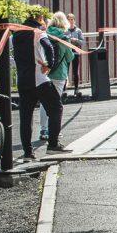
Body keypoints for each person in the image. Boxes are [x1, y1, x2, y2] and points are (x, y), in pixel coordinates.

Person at [11, 9, 69, 159]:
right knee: (56, 108)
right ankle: (53, 144)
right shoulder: (38, 32)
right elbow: (48, 47)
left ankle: (28, 153)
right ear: (39, 17)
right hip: (39, 79)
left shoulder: (15, 35)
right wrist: (49, 65)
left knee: (26, 117)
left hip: (23, 80)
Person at [39, 12, 74, 141]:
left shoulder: (44, 34)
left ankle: (43, 129)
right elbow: (69, 57)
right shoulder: (64, 37)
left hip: (45, 72)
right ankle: (54, 131)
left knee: (44, 103)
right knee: (56, 104)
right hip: (59, 74)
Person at [65, 13, 85, 96]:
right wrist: (68, 40)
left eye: (72, 19)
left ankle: (76, 89)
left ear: (74, 20)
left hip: (75, 53)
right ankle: (63, 90)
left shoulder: (78, 30)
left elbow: (82, 42)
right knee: (65, 71)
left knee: (75, 71)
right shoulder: (65, 30)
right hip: (67, 52)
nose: (70, 21)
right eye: (69, 19)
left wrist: (76, 40)